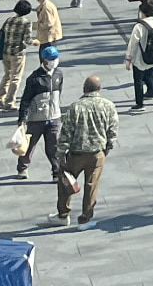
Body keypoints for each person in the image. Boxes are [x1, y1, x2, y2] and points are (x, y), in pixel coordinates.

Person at [56, 73, 117, 230]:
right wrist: (107, 148)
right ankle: (85, 218)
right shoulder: (108, 105)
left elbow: (66, 132)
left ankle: (63, 214)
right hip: (97, 154)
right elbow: (112, 130)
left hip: (76, 154)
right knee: (91, 186)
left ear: (84, 89)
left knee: (66, 183)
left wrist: (60, 153)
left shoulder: (75, 107)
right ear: (99, 89)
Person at [16, 44, 65, 182]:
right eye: (52, 59)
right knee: (30, 144)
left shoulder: (58, 74)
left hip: (54, 117)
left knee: (54, 146)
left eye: (56, 58)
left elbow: (59, 92)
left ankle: (56, 172)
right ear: (44, 60)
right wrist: (22, 118)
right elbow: (25, 99)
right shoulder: (34, 78)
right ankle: (23, 168)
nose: (55, 61)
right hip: (36, 118)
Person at [0, 0, 34, 109]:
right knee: (15, 78)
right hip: (18, 53)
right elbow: (27, 40)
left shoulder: (9, 20)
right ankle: (9, 102)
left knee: (7, 75)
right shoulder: (26, 23)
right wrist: (34, 42)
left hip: (5, 52)